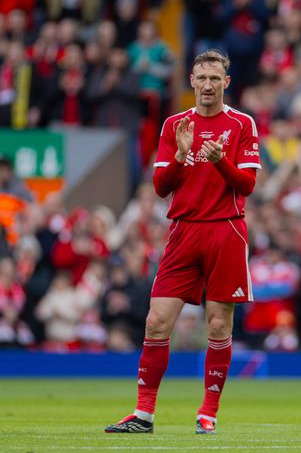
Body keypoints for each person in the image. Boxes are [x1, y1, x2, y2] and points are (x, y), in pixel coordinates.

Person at [105, 50, 261, 435]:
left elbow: (248, 186)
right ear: (191, 81)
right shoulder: (175, 124)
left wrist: (220, 160)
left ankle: (208, 412)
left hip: (226, 229)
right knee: (156, 322)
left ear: (227, 82)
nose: (208, 85)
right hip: (183, 231)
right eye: (201, 78)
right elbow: (160, 188)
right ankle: (143, 415)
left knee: (219, 324)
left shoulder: (242, 124)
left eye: (215, 78)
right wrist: (179, 156)